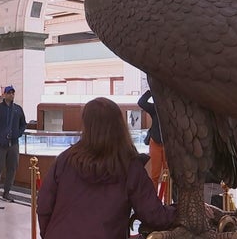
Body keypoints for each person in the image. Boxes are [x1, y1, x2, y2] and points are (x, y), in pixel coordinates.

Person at [37, 97, 176, 238]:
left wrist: (49, 234)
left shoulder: (65, 159)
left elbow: (43, 206)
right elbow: (154, 215)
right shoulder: (129, 166)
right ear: (119, 126)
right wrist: (182, 210)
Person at [0, 86, 26, 204]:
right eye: (9, 93)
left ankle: (6, 192)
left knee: (12, 168)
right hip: (0, 143)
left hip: (13, 143)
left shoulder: (18, 109)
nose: (11, 95)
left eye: (13, 93)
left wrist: (18, 133)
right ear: (4, 94)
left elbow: (23, 124)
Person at [138, 89, 168, 192]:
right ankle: (155, 198)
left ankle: (167, 199)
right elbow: (141, 102)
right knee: (155, 174)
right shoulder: (156, 108)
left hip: (168, 145)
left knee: (168, 174)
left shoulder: (171, 110)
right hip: (156, 142)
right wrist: (152, 90)